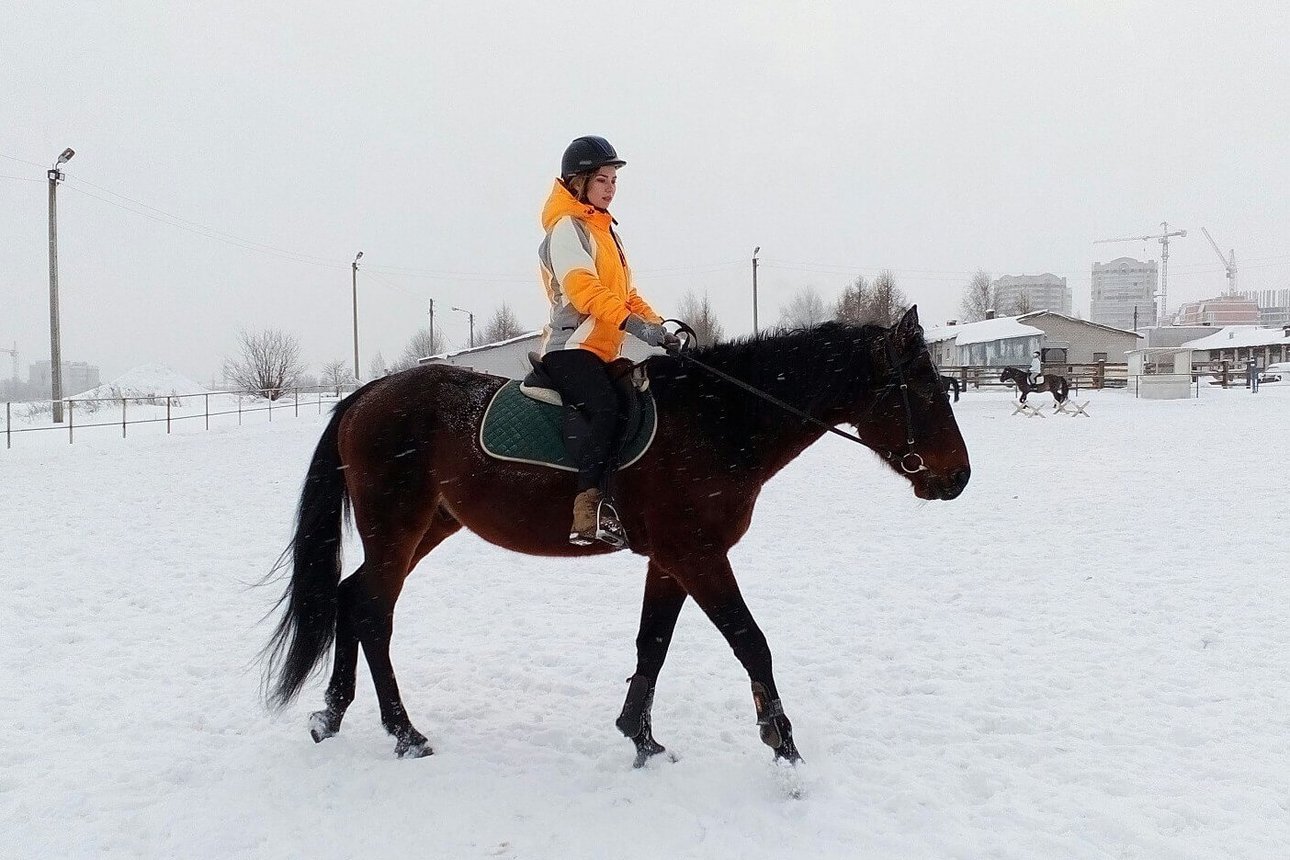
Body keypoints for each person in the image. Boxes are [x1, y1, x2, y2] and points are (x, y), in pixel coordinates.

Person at [538, 135, 678, 545]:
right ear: (578, 182)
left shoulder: (606, 234)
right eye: (602, 179)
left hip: (602, 351)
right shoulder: (568, 229)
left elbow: (626, 295)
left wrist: (659, 328)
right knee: (608, 408)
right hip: (570, 349)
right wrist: (635, 326)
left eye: (614, 180)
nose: (611, 188)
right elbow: (585, 292)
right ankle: (588, 509)